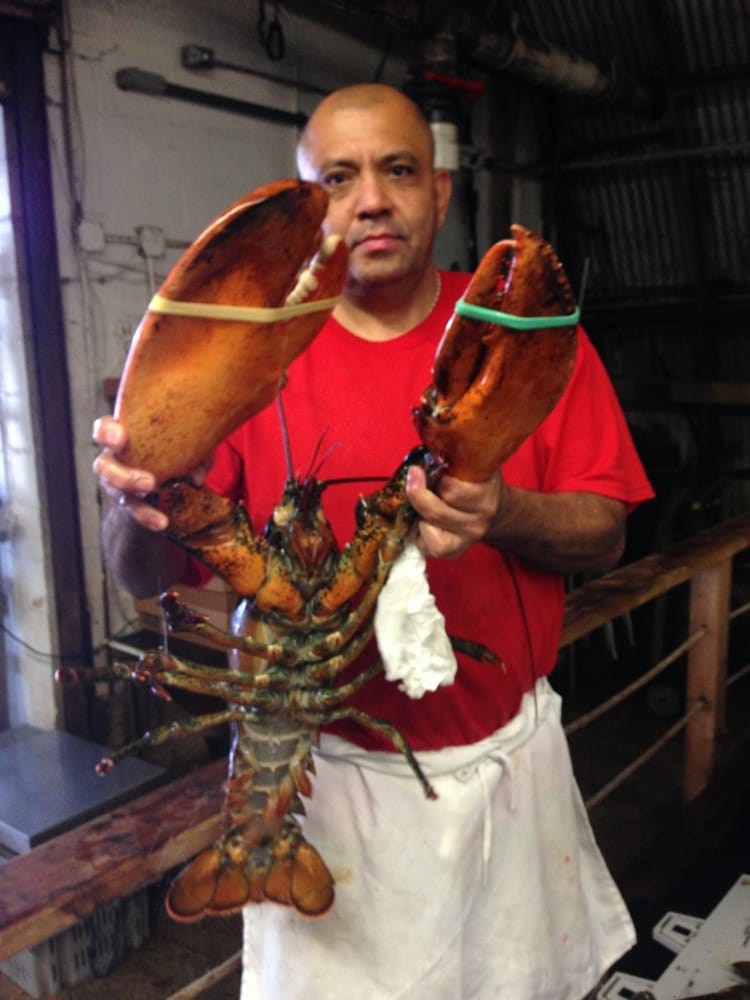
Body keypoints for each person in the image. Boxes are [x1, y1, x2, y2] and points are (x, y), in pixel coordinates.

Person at [94, 83, 654, 1000]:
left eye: (398, 170)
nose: (373, 200)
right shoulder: (241, 356)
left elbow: (606, 534)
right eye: (340, 177)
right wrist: (136, 504)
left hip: (511, 775)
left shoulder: (525, 343)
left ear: (438, 190)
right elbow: (142, 571)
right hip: (330, 799)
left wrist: (502, 511)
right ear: (310, 200)